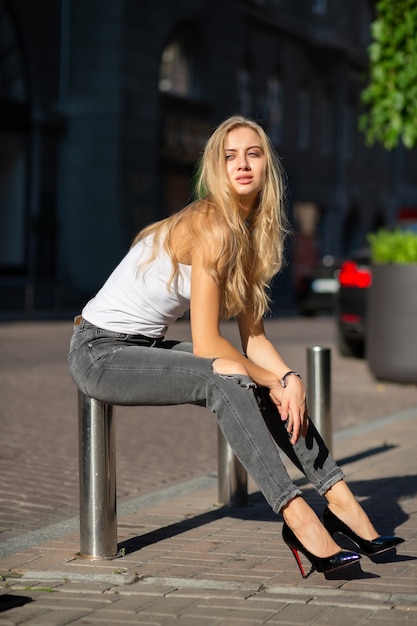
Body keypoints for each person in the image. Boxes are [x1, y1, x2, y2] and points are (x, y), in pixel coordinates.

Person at [68, 115, 403, 578]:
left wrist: (288, 381)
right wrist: (280, 379)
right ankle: (296, 515)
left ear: (267, 165)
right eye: (229, 156)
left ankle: (341, 501)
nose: (241, 165)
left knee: (253, 379)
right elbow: (208, 344)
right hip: (99, 353)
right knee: (222, 376)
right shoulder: (211, 224)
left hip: (142, 346)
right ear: (215, 168)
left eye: (253, 153)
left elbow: (255, 339)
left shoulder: (250, 233)